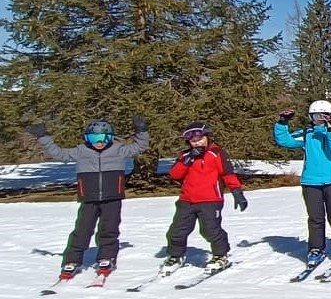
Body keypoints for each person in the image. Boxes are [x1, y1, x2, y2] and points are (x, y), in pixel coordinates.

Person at [26, 116, 150, 278]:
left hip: (112, 198)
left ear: (111, 137)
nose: (100, 142)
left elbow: (141, 146)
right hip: (89, 198)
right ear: (87, 138)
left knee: (109, 229)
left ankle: (107, 257)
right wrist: (43, 137)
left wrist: (141, 130)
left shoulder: (119, 150)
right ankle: (72, 260)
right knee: (82, 231)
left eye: (104, 137)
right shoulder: (81, 151)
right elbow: (59, 154)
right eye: (94, 138)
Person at [163, 122, 247, 274]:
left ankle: (220, 255)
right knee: (177, 231)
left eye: (200, 139)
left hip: (210, 200)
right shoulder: (185, 156)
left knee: (210, 230)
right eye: (193, 141)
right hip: (187, 200)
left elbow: (227, 173)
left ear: (207, 137)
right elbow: (175, 175)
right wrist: (186, 161)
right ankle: (176, 256)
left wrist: (237, 191)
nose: (197, 143)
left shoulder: (216, 153)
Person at [274, 100, 331, 265]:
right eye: (316, 116)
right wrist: (282, 122)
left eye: (324, 116)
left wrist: (329, 130)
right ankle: (316, 248)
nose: (320, 119)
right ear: (311, 117)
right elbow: (286, 140)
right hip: (311, 181)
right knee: (315, 218)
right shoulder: (307, 133)